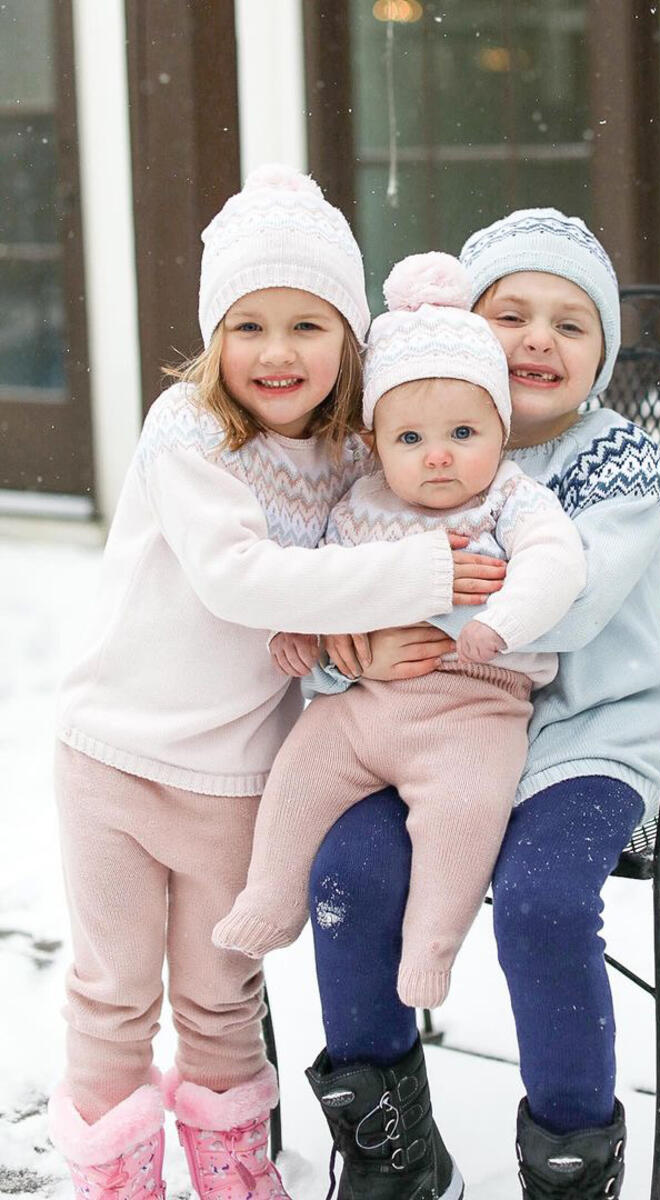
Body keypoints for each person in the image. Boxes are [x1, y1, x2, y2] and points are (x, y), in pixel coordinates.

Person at [46, 166, 505, 1200]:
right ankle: (115, 1180)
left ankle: (234, 1173)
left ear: (347, 337)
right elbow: (241, 579)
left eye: (308, 324)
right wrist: (420, 576)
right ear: (214, 338)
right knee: (113, 991)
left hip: (241, 777)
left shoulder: (351, 455)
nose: (276, 351)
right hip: (114, 759)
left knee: (219, 994)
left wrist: (366, 647)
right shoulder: (189, 432)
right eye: (248, 324)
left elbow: (334, 588)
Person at [304, 210, 660, 1200]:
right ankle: (390, 1151)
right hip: (425, 728)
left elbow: (567, 599)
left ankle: (568, 1157)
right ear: (461, 331)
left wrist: (388, 589)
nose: (536, 339)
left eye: (570, 322)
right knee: (345, 874)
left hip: (581, 740)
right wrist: (351, 640)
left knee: (540, 902)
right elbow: (326, 577)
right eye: (509, 312)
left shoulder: (616, 461)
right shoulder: (401, 442)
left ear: (599, 354)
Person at [212, 252, 586, 1022]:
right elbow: (322, 576)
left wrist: (500, 622)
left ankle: (432, 943)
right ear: (377, 443)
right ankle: (271, 892)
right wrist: (305, 632)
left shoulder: (513, 499)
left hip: (471, 714)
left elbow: (558, 563)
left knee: (466, 810)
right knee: (301, 767)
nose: (438, 454)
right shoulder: (360, 504)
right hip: (365, 705)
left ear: (500, 431)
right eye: (411, 437)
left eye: (462, 432)